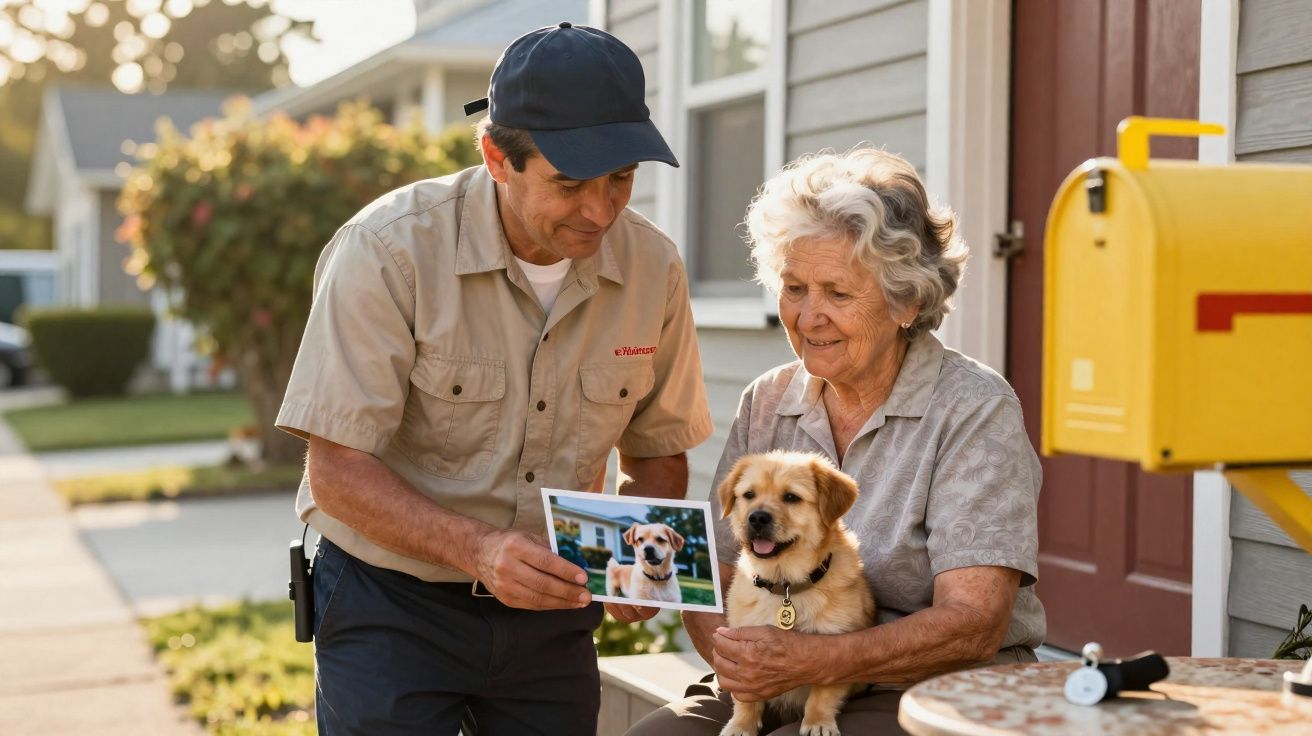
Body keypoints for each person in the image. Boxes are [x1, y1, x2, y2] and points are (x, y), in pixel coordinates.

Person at [275, 23, 713, 736]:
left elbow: (656, 450)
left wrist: (640, 560)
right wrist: (479, 549)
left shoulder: (653, 268)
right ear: (496, 158)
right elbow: (337, 470)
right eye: (570, 183)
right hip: (390, 602)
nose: (601, 211)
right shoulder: (388, 251)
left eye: (621, 179)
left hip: (553, 610)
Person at [627, 148, 1047, 735]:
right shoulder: (769, 399)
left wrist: (817, 660)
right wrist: (738, 663)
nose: (808, 316)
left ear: (908, 302)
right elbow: (713, 575)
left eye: (838, 294)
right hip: (774, 680)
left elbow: (972, 624)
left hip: (928, 686)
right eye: (794, 288)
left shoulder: (974, 409)